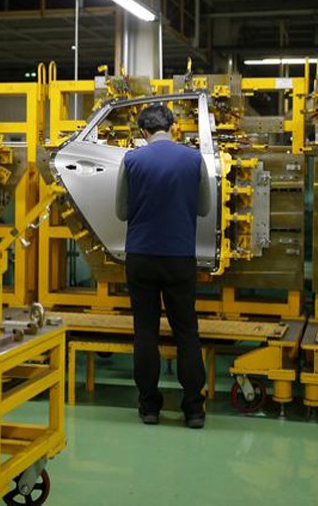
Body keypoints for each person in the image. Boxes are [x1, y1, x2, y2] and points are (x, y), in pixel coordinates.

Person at [115, 102, 211, 429]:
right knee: (186, 332)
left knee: (145, 331)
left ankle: (149, 408)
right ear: (172, 127)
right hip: (179, 257)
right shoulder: (194, 159)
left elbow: (121, 212)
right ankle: (193, 409)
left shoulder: (131, 160)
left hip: (141, 257)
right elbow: (204, 208)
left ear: (143, 132)